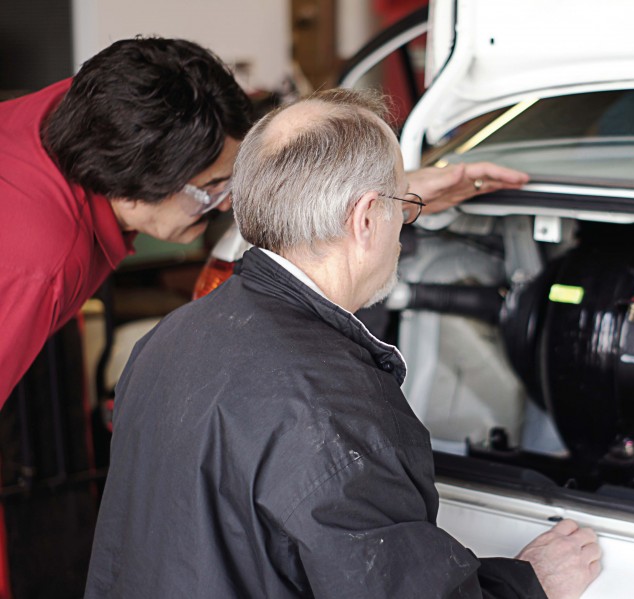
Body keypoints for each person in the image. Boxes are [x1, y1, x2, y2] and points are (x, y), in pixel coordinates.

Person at [84, 89, 601, 598]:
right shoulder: (339, 412)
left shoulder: (169, 337)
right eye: (406, 203)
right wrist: (531, 585)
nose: (405, 227)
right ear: (367, 218)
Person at [0, 36, 528, 404]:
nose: (228, 204)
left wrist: (391, 193)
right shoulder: (40, 262)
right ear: (131, 185)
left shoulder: (85, 111)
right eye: (209, 188)